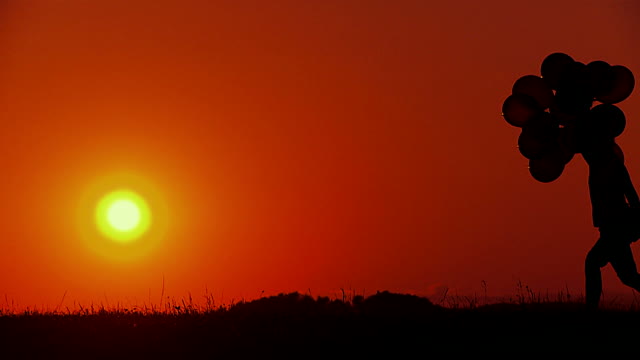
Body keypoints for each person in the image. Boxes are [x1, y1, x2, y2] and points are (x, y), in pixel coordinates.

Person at [583, 139, 640, 309]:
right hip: (612, 228)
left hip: (615, 227)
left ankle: (591, 309)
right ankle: (591, 309)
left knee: (592, 262)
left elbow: (632, 197)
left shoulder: (615, 168)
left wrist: (634, 224)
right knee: (628, 276)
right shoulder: (597, 165)